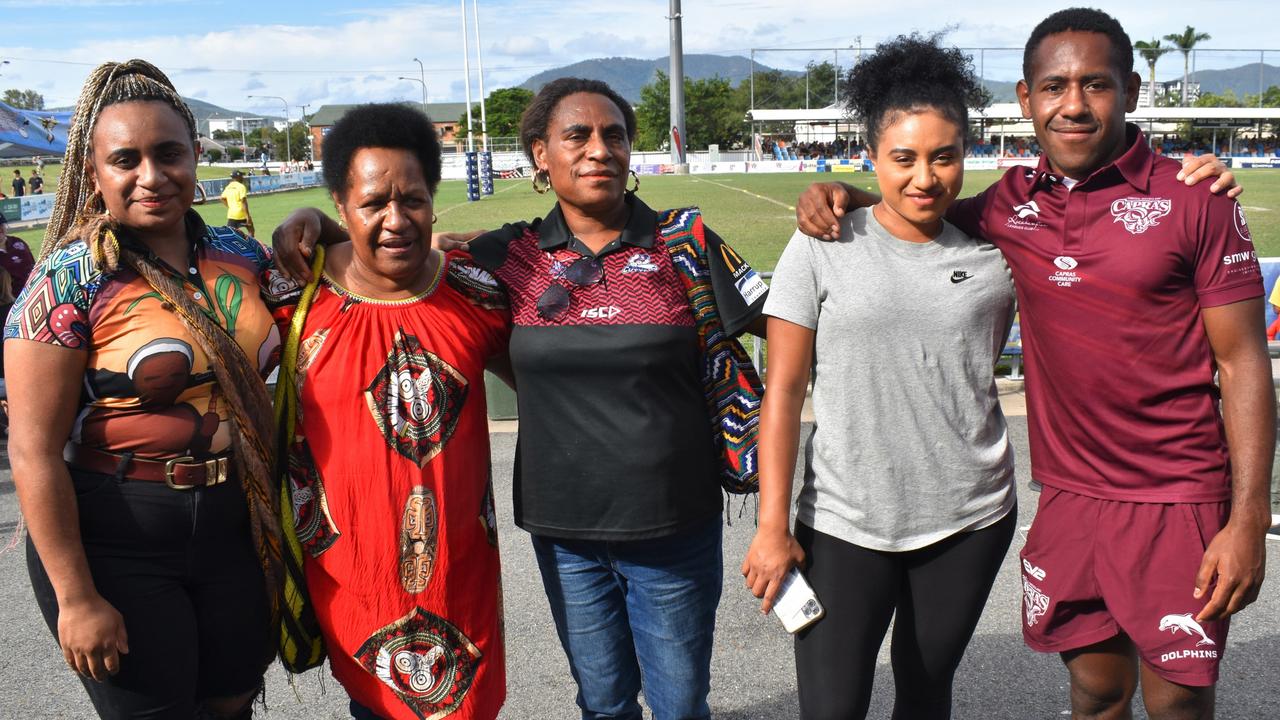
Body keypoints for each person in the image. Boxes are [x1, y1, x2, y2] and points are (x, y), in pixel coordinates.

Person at [795, 9, 1272, 718]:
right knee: (1096, 690)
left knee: (1176, 703)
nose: (1073, 104)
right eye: (1054, 86)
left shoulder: (1195, 199)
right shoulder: (1011, 203)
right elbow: (923, 205)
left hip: (1178, 495)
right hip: (1070, 495)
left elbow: (1243, 366)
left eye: (1096, 85)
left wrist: (1248, 520)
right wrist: (846, 195)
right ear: (1026, 100)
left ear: (1132, 91)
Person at [272, 77, 768, 720]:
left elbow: (786, 326)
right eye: (577, 136)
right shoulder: (510, 256)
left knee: (679, 704)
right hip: (564, 530)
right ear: (540, 154)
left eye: (614, 135)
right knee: (603, 702)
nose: (598, 150)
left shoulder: (683, 240)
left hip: (673, 518)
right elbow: (394, 256)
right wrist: (307, 220)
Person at [743, 35, 1016, 720]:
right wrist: (771, 526)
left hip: (969, 517)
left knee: (925, 694)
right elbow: (782, 393)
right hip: (842, 520)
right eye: (903, 158)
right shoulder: (821, 242)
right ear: (871, 157)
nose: (925, 177)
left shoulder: (998, 254)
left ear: (967, 155)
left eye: (944, 156)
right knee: (832, 709)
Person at [3, 59, 284, 720]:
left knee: (232, 705)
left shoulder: (244, 257)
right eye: (125, 159)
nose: (151, 176)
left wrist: (312, 221)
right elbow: (33, 452)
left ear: (195, 156)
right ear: (94, 173)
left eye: (169, 154)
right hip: (117, 539)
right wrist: (77, 598)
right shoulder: (69, 280)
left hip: (235, 527)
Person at [267, 103, 511, 720]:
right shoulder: (293, 293)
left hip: (462, 573)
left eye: (415, 201)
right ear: (341, 206)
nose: (397, 220)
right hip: (353, 577)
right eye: (374, 203)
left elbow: (555, 383)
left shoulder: (476, 290)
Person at [0, 209, 35, 290]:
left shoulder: (18, 242)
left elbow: (34, 266)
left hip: (32, 294)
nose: (0, 228)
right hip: (8, 301)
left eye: (1, 224)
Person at [220, 170, 254, 236]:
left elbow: (222, 198)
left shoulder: (228, 186)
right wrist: (248, 217)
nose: (243, 177)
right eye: (241, 176)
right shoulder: (241, 186)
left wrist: (230, 206)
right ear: (238, 177)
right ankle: (250, 244)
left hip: (231, 214)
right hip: (241, 213)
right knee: (251, 230)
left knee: (230, 234)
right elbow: (243, 202)